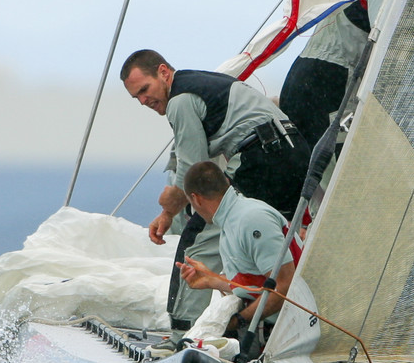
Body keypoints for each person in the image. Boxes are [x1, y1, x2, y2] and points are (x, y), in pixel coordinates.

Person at [120, 49, 311, 328]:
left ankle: (183, 334)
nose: (143, 100)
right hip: (292, 153)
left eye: (144, 90)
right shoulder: (204, 82)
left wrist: (168, 211)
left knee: (199, 238)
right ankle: (266, 328)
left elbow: (193, 171)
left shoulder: (180, 100)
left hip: (262, 157)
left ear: (163, 72)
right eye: (136, 97)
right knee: (267, 241)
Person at [278, 0, 406, 147]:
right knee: (329, 160)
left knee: (303, 156)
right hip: (332, 79)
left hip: (305, 72)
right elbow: (385, 44)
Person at [175, 161, 295, 329]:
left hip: (295, 331)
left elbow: (286, 286)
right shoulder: (231, 221)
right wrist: (212, 279)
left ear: (196, 199)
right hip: (279, 329)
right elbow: (258, 283)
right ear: (227, 181)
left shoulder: (251, 219)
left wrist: (237, 321)